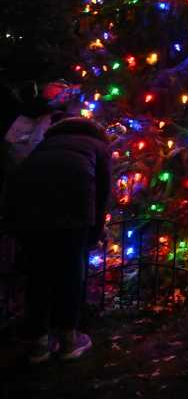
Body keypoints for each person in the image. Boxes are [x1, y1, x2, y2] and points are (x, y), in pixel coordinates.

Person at [2, 117, 110, 363]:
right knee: (70, 271)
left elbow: (19, 176)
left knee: (38, 272)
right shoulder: (98, 146)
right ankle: (68, 339)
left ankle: (38, 341)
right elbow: (103, 192)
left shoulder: (46, 144)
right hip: (73, 208)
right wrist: (94, 232)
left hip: (31, 210)